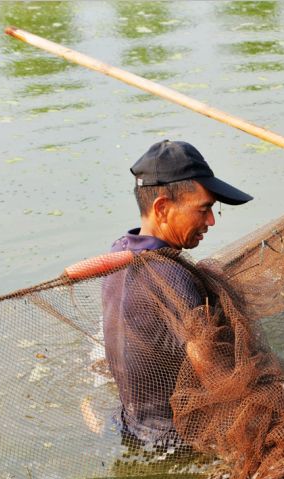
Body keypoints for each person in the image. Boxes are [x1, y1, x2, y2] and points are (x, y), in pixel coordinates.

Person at [100, 139, 255, 445]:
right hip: (174, 439)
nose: (211, 221)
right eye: (204, 209)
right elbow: (214, 374)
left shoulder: (119, 252)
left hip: (130, 425)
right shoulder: (169, 275)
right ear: (162, 208)